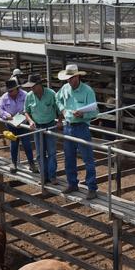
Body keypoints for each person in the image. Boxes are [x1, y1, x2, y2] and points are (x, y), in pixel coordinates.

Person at [55, 64, 98, 200]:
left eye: (72, 78)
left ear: (78, 76)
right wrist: (63, 110)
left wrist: (83, 115)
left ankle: (92, 187)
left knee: (88, 158)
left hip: (81, 126)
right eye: (68, 78)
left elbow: (95, 111)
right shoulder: (65, 88)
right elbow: (58, 99)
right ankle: (72, 183)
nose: (69, 81)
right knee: (69, 157)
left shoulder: (87, 91)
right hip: (68, 126)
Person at [23, 74, 60, 183]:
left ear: (39, 85)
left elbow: (59, 109)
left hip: (50, 124)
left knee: (52, 152)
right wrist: (30, 121)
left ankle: (52, 176)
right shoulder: (29, 96)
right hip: (37, 126)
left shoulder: (51, 94)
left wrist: (60, 120)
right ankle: (44, 176)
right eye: (30, 87)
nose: (31, 88)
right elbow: (26, 111)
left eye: (33, 86)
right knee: (40, 153)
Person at [0, 78, 37, 174]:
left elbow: (30, 107)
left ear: (17, 89)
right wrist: (6, 115)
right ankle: (13, 163)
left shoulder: (25, 95)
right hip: (11, 124)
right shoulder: (4, 97)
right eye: (8, 91)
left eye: (11, 90)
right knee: (14, 144)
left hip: (23, 124)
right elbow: (0, 109)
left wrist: (25, 117)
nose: (10, 93)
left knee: (27, 144)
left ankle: (31, 164)